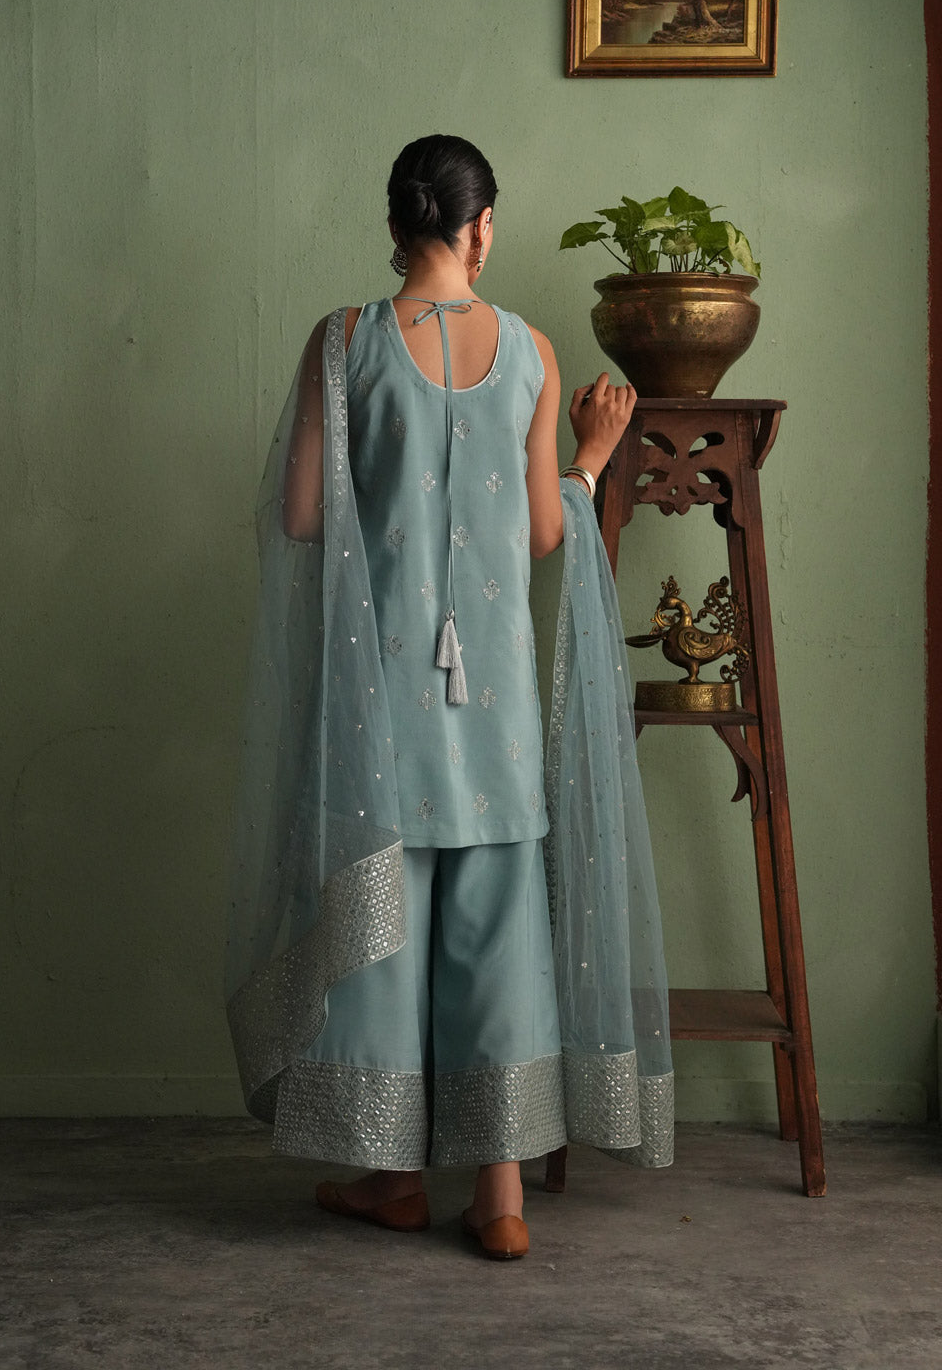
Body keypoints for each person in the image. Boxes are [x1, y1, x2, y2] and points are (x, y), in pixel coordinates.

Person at [225, 135, 673, 1262]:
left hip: (380, 695)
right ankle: (499, 1197)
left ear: (396, 225)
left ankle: (391, 1179)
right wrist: (591, 456)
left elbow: (299, 516)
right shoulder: (530, 351)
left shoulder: (342, 342)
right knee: (498, 922)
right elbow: (541, 535)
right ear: (480, 227)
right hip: (494, 701)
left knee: (377, 917)